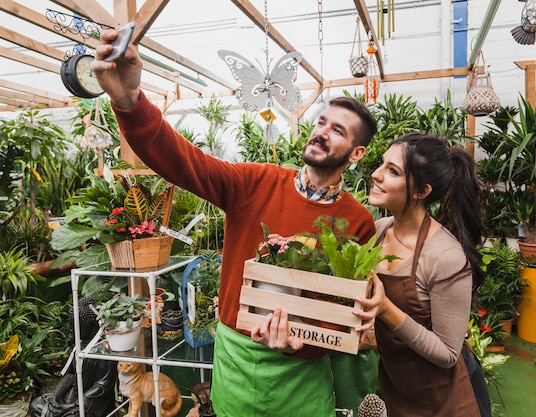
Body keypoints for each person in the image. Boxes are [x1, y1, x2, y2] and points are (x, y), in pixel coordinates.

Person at [92, 28, 378, 417]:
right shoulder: (254, 183)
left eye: (337, 130)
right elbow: (183, 161)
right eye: (322, 122)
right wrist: (128, 100)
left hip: (302, 377)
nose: (321, 132)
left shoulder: (357, 221)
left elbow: (339, 310)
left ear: (357, 153)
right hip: (236, 365)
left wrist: (304, 343)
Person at [355, 133, 492, 417]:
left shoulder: (444, 255)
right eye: (382, 164)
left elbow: (447, 354)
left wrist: (384, 308)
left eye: (392, 171)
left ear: (421, 191)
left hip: (447, 400)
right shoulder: (378, 232)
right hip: (398, 390)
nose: (376, 175)